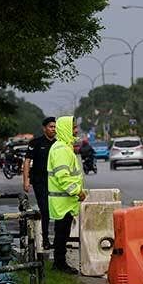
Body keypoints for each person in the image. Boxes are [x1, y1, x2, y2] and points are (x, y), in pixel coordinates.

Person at [47, 117, 85, 273]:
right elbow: (63, 177)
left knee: (62, 234)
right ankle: (59, 264)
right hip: (62, 202)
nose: (76, 131)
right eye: (73, 128)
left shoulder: (64, 147)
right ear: (65, 129)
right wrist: (77, 191)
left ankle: (59, 263)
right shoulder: (62, 150)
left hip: (65, 201)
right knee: (61, 235)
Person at [23, 117, 57, 249]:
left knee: (55, 211)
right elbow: (27, 161)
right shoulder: (35, 143)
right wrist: (26, 180)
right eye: (51, 127)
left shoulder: (57, 144)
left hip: (54, 183)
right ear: (44, 128)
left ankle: (56, 239)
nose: (53, 129)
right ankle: (45, 239)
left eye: (55, 127)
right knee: (45, 210)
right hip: (39, 182)